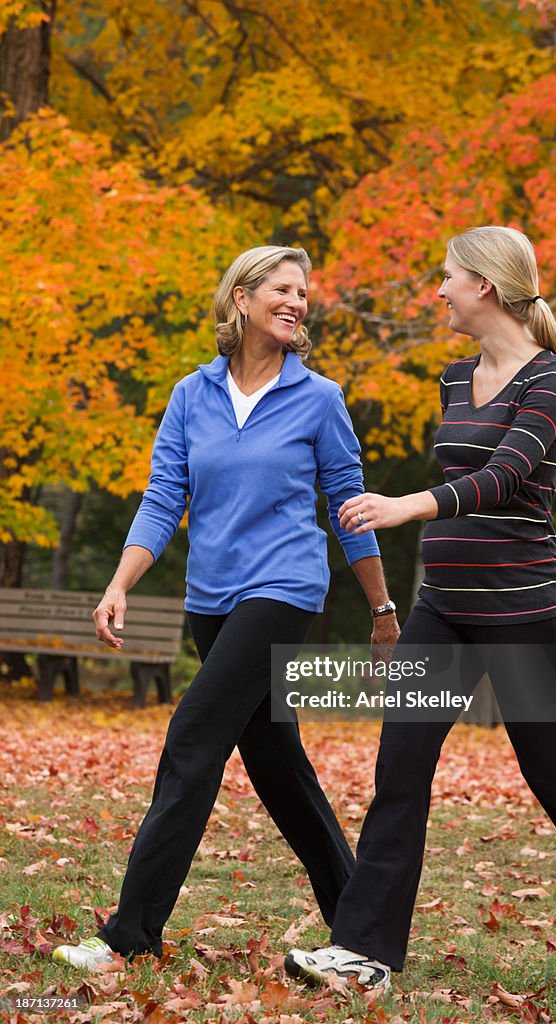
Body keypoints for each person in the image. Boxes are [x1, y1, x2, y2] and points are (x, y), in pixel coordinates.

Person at [285, 227, 556, 1001]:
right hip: (443, 610)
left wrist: (405, 507)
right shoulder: (455, 378)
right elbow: (471, 476)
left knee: (551, 772)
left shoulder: (549, 379)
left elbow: (503, 477)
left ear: (485, 287)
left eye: (448, 278)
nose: (438, 292)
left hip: (524, 610)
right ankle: (363, 952)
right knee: (399, 769)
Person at [52, 244, 399, 968]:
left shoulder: (319, 399)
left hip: (283, 590)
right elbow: (162, 498)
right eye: (281, 288)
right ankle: (360, 930)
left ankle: (129, 937)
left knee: (191, 739)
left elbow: (348, 508)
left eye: (302, 293)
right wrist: (119, 583)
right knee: (279, 768)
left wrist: (381, 608)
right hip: (211, 600)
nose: (296, 302)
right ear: (239, 298)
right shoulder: (192, 394)